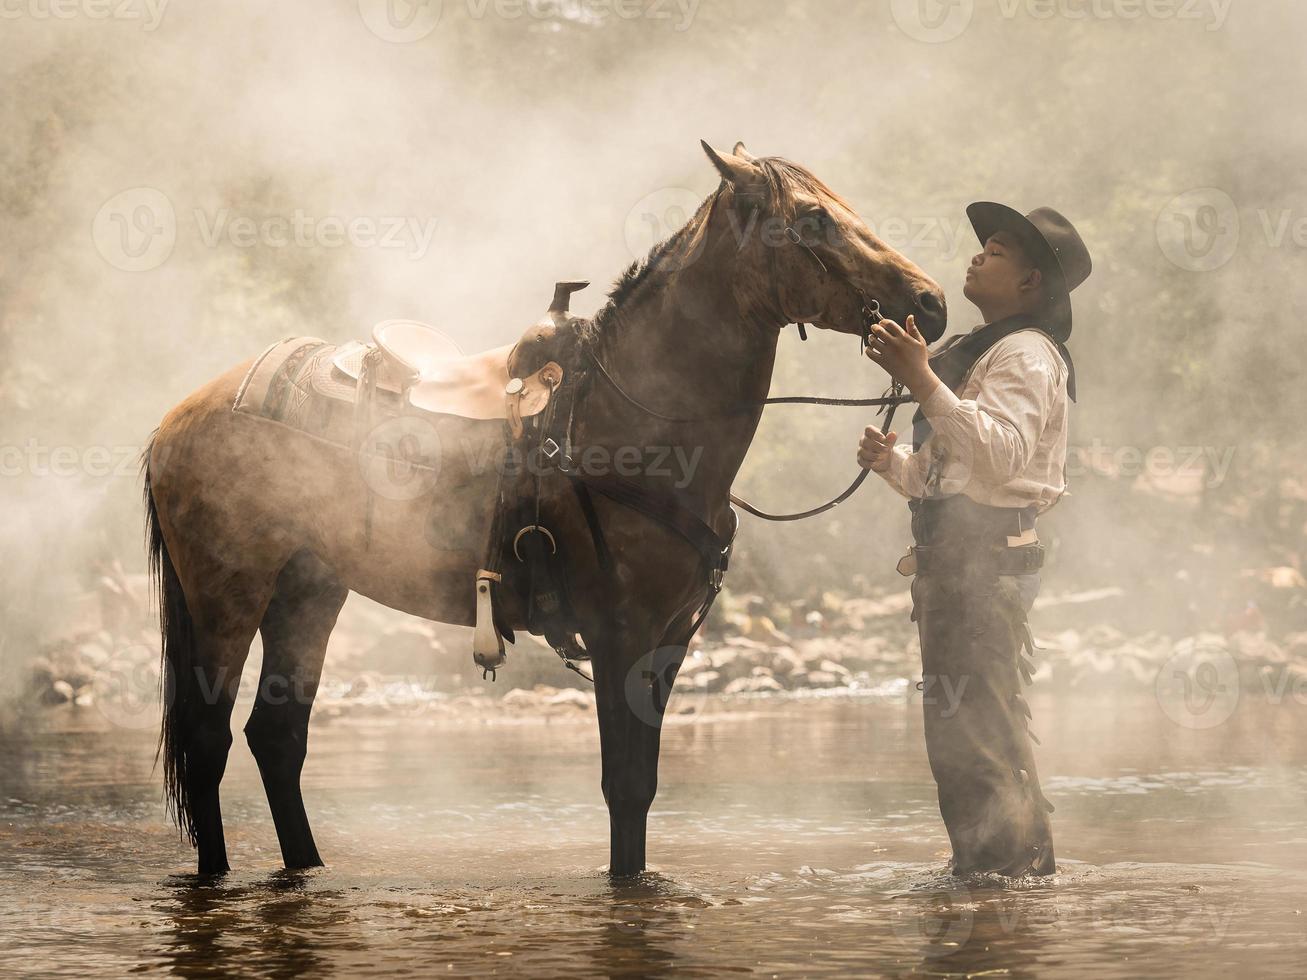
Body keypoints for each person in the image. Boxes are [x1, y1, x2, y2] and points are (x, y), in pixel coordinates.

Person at [856, 203, 1091, 877]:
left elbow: (1002, 459)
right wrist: (891, 465)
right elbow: (953, 480)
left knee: (976, 739)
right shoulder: (990, 350)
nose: (976, 257)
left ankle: (998, 885)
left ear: (1029, 286)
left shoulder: (1025, 354)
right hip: (957, 562)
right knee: (965, 735)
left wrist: (922, 378)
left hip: (981, 568)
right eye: (980, 247)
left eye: (996, 252)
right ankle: (997, 877)